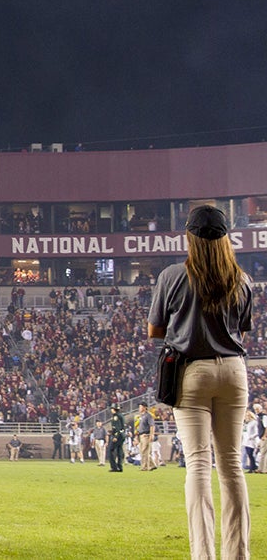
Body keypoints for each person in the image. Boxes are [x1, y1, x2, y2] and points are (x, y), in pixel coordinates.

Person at [147, 204, 251, 559]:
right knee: (232, 466)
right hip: (234, 370)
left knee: (198, 464)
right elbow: (242, 328)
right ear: (226, 239)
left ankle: (203, 554)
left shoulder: (173, 275)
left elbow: (154, 330)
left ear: (189, 236)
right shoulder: (241, 278)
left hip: (192, 371)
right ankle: (238, 554)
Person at [135, 402, 156, 471]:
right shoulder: (141, 416)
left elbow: (152, 426)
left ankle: (144, 467)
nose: (139, 408)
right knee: (143, 451)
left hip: (146, 435)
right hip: (141, 435)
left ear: (144, 407)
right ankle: (152, 465)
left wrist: (151, 435)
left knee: (144, 451)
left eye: (140, 407)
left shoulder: (148, 416)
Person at [106, 405, 125, 472]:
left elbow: (117, 428)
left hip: (118, 436)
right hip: (122, 435)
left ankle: (114, 467)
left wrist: (115, 436)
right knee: (119, 450)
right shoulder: (120, 415)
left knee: (110, 450)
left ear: (113, 409)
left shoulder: (115, 416)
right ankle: (120, 467)